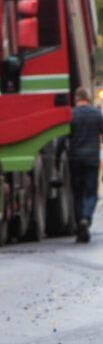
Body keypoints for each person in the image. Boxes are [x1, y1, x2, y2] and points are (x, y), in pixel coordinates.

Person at [63, 86, 103, 243]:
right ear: (88, 98)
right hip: (92, 159)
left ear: (76, 99)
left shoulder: (71, 115)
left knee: (77, 192)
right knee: (91, 193)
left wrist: (60, 155)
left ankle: (80, 220)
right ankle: (86, 218)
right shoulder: (96, 114)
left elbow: (63, 138)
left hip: (75, 158)